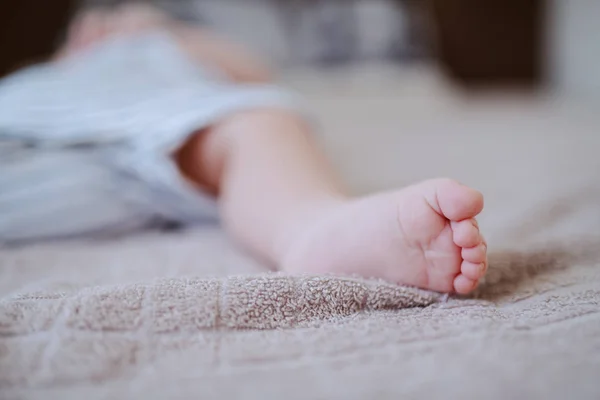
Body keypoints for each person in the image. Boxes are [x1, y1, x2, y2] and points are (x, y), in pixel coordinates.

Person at [0, 4, 487, 294]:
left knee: (255, 118)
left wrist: (167, 32)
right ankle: (307, 224)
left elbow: (255, 74)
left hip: (127, 175)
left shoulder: (172, 47)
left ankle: (310, 225)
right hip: (43, 114)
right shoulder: (68, 70)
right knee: (257, 120)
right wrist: (92, 45)